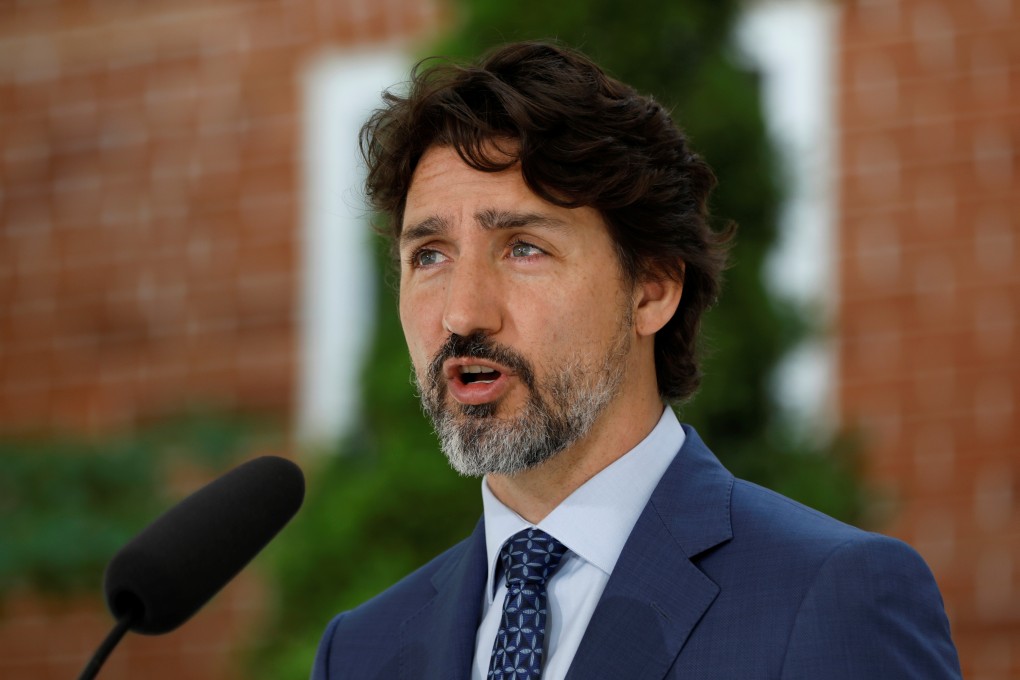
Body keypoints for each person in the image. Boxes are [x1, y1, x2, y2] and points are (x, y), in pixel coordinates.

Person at [311, 41, 961, 680]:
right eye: (429, 255)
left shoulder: (834, 595)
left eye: (524, 248)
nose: (461, 314)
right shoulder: (359, 652)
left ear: (651, 289)